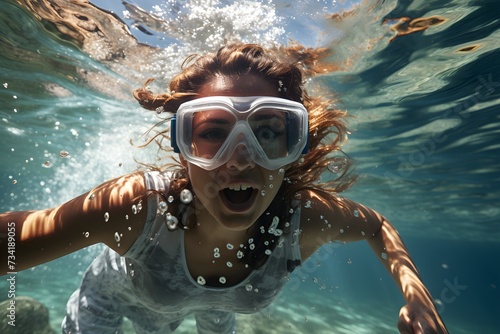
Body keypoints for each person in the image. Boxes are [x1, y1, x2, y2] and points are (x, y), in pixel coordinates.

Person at [0, 43, 447, 334]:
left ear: (295, 145)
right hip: (111, 299)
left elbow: (377, 226)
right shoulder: (139, 208)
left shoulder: (304, 217)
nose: (240, 158)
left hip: (218, 311)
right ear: (183, 150)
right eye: (213, 133)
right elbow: (17, 237)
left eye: (268, 132)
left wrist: (419, 301)